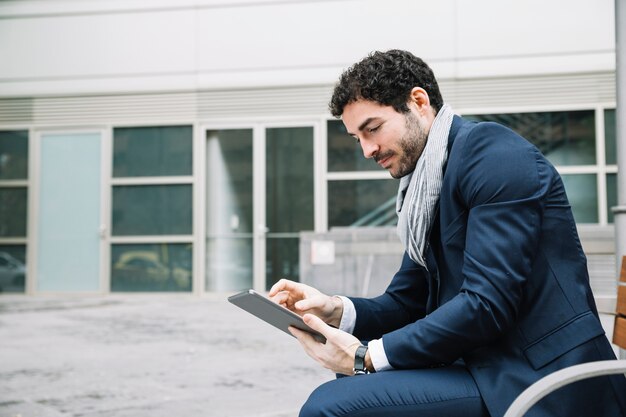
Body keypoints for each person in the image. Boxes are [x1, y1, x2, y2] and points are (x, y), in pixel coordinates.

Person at [269, 49, 626, 417]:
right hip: (482, 365)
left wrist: (366, 355)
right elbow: (406, 302)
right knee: (350, 384)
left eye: (372, 128)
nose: (366, 149)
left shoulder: (493, 156)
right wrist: (335, 309)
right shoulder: (427, 186)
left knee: (330, 406)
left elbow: (487, 305)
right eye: (356, 137)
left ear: (418, 102)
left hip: (539, 378)